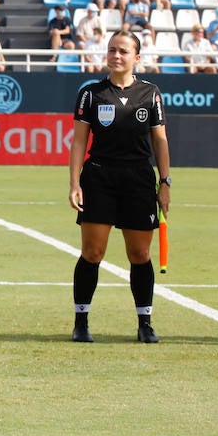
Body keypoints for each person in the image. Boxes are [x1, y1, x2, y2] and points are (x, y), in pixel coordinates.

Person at [68, 32, 171, 344]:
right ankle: (81, 322)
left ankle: (145, 323)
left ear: (136, 58)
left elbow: (160, 141)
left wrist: (164, 182)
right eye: (112, 49)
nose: (116, 55)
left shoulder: (150, 94)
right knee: (93, 252)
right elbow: (79, 142)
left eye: (123, 51)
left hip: (139, 179)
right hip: (99, 178)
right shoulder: (91, 93)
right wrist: (74, 183)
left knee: (140, 253)